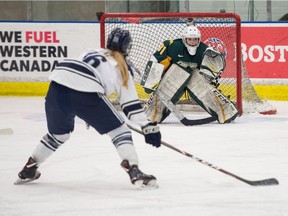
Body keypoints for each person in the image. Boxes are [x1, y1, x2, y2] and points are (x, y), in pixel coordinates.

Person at [14, 27, 161, 188]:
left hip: (57, 86)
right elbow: (130, 105)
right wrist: (146, 126)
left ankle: (29, 167)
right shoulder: (122, 67)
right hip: (85, 93)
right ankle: (134, 169)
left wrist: (88, 112)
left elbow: (78, 78)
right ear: (128, 47)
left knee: (58, 135)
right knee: (121, 131)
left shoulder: (91, 51)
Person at [143, 24, 239, 124]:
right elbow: (155, 59)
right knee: (178, 71)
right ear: (184, 39)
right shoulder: (172, 46)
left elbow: (209, 74)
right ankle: (153, 113)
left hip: (192, 80)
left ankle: (225, 111)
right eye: (190, 39)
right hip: (172, 80)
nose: (193, 42)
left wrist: (211, 76)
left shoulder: (204, 50)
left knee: (198, 80)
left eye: (195, 39)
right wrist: (151, 80)